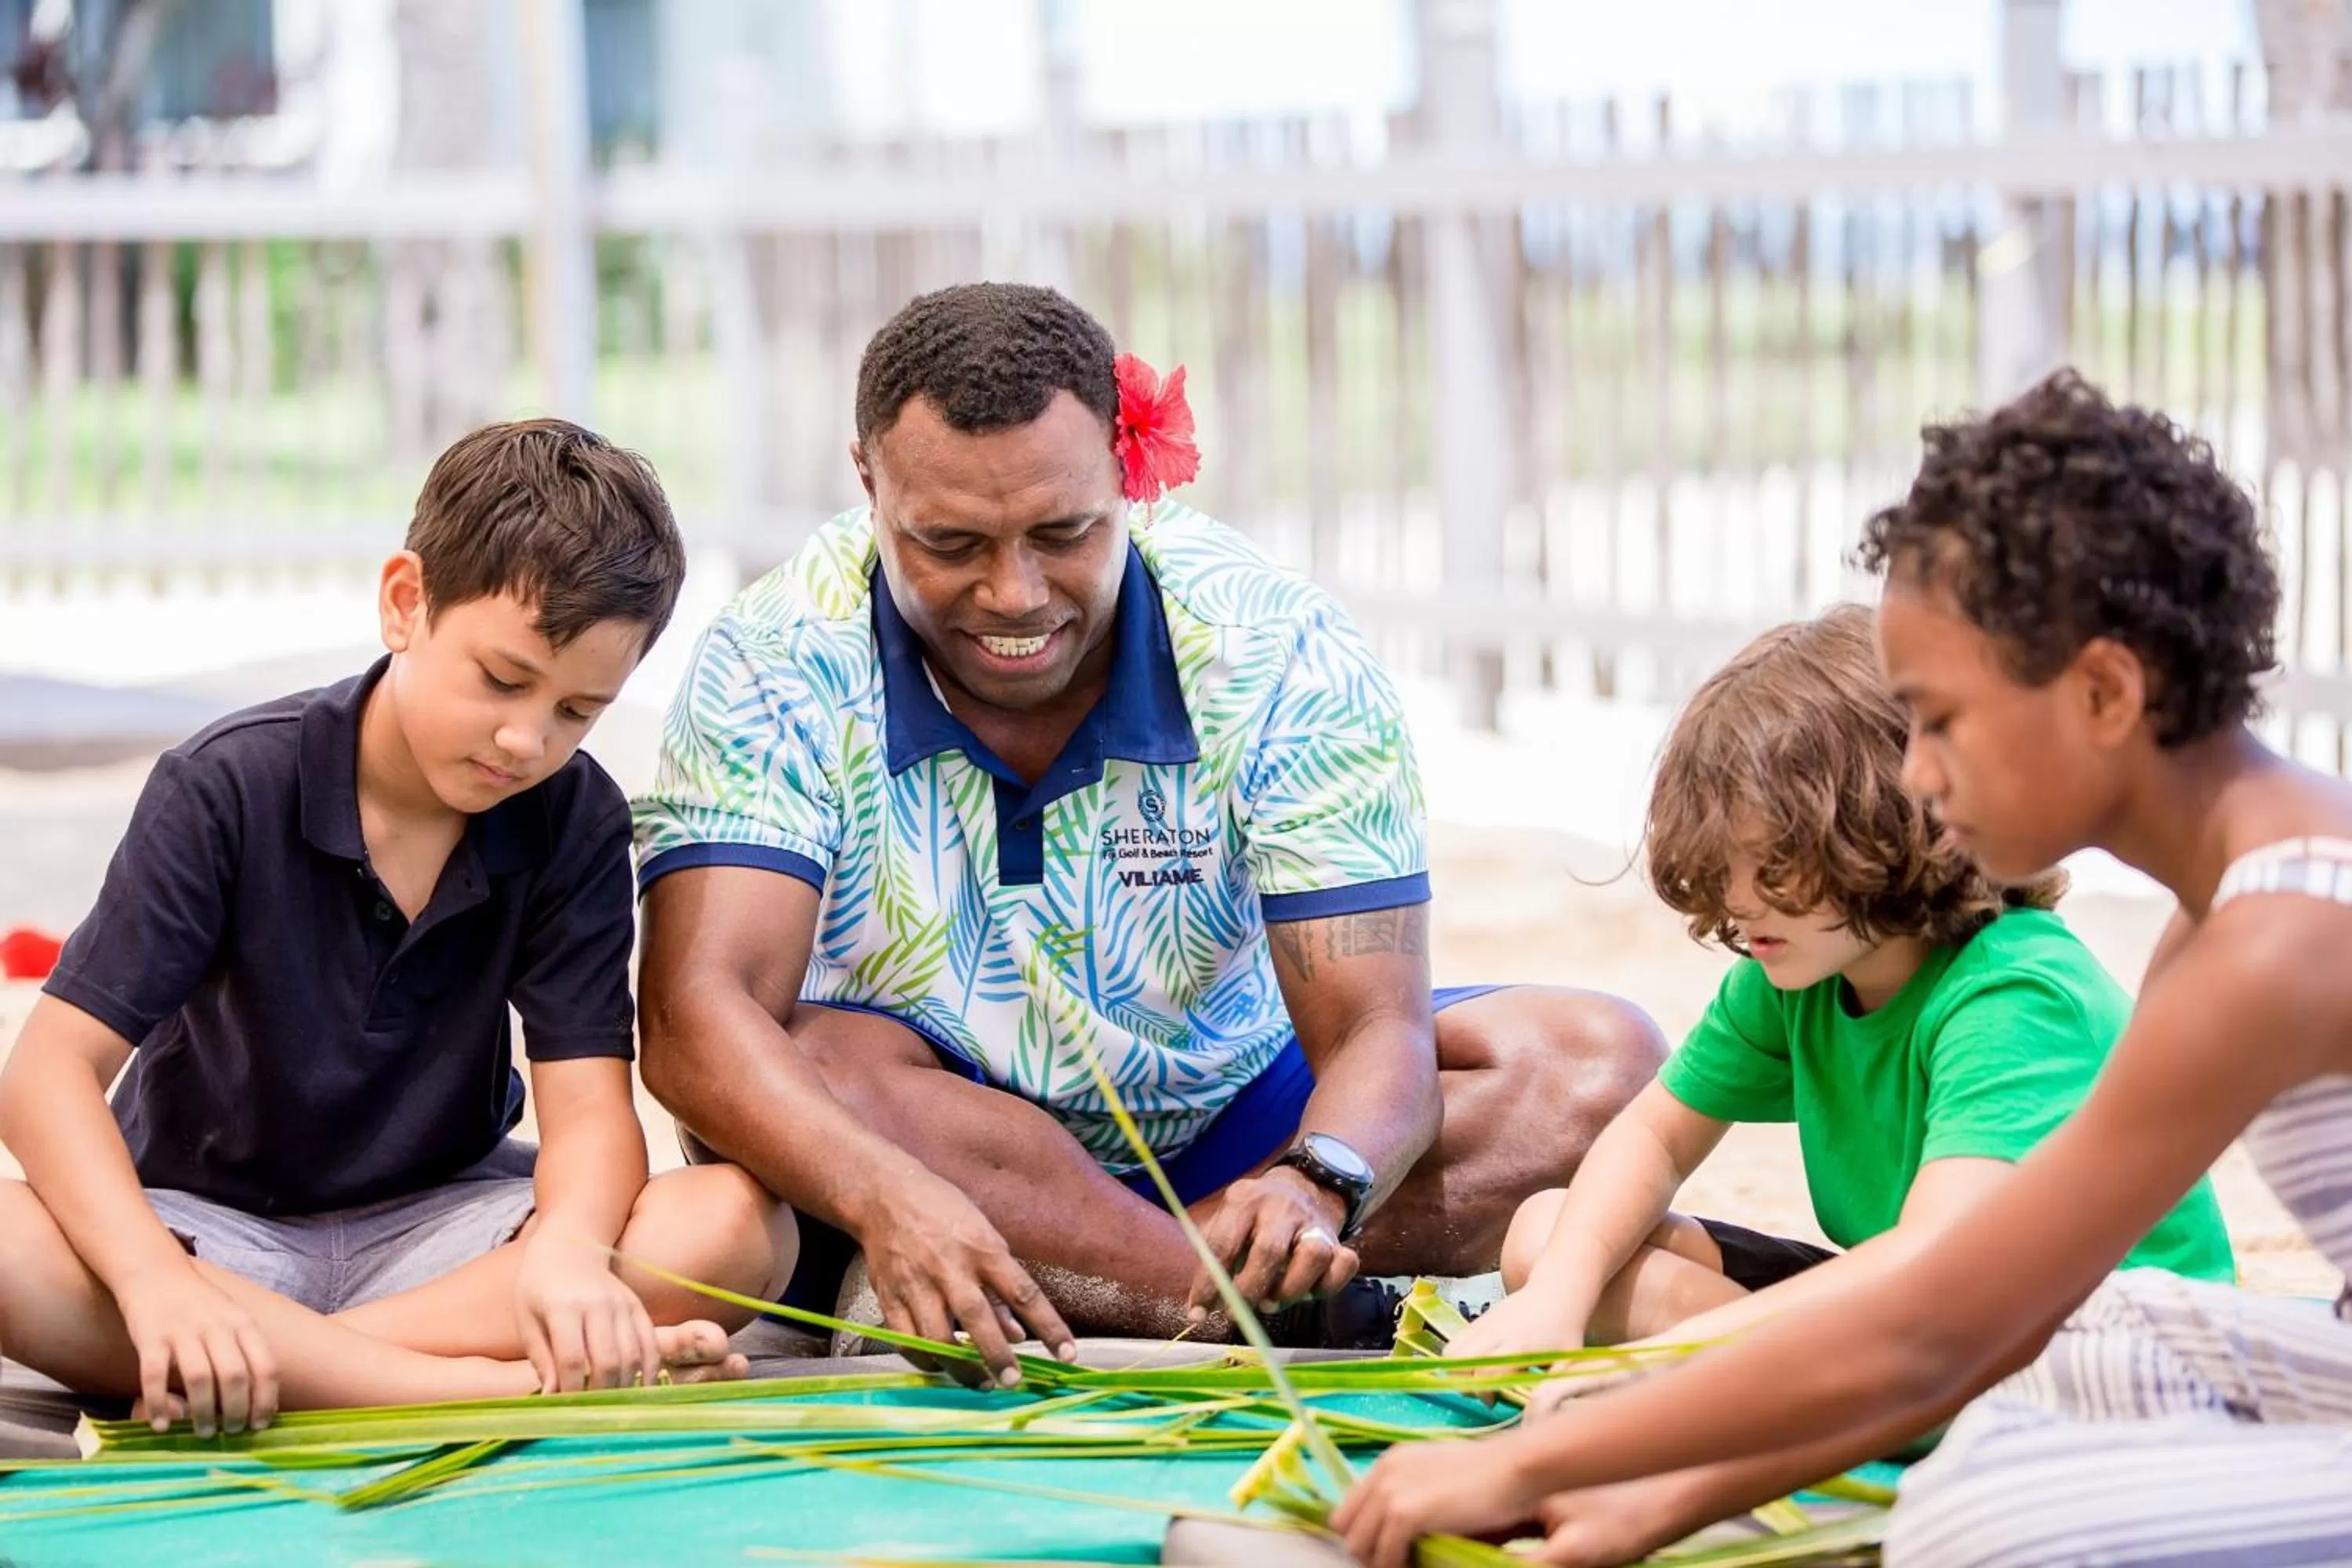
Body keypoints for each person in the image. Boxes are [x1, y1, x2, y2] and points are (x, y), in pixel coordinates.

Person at [1334, 369, 2352, 1568]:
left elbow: (1937, 1316)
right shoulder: (2221, 919)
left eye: (1940, 718)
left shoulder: (2277, 938)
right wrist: (1661, 1497)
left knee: (1985, 1519)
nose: (1915, 775)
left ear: (2103, 692)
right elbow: (1977, 1308)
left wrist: (1533, 1461)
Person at [631, 282, 1666, 1385]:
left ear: (1128, 479)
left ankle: (1116, 1278)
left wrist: (1316, 1183)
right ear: (866, 481)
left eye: (1064, 532)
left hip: (1233, 1120)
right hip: (918, 1137)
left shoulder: (1276, 648)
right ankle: (1254, 1307)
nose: (1014, 593)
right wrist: (892, 1193)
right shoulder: (774, 654)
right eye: (950, 543)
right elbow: (697, 1021)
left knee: (1604, 1068)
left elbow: (1378, 1032)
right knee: (798, 1059)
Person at [0, 420, 793, 1439]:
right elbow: (45, 1077)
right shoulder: (227, 785)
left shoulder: (575, 816)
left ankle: (292, 1375)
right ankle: (471, 1392)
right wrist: (157, 1283)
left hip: (446, 1238)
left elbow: (591, 1112)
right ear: (405, 602)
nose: (527, 739)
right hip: (207, 1235)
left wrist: (563, 1256)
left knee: (733, 1225)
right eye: (503, 681)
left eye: (578, 712)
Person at [1448, 605, 2232, 1412]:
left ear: (1888, 824)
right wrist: (1561, 1299)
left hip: (2080, 1349)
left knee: (1661, 1307)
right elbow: (1654, 1135)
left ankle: (1757, 1384)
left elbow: (1935, 1260)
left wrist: (1672, 1364)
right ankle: (1776, 1381)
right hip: (1912, 1306)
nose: (1738, 898)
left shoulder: (2013, 991)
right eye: (1725, 861)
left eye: (1776, 862)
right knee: (1547, 1237)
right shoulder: (1797, 960)